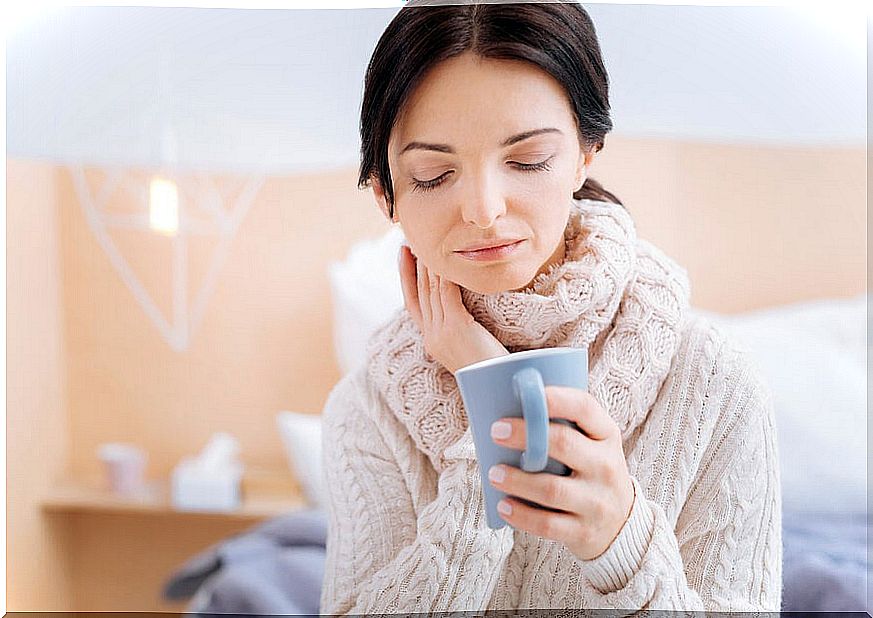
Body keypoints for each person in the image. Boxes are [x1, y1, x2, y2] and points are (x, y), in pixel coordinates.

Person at [319, 0, 782, 614]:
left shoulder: (715, 384)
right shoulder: (367, 409)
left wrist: (621, 542)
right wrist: (492, 426)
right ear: (387, 194)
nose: (484, 208)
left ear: (586, 153)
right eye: (434, 174)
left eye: (528, 160)